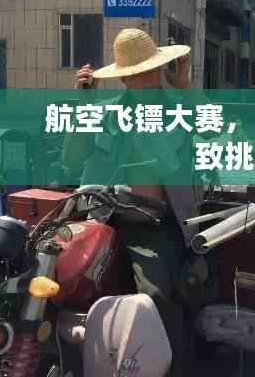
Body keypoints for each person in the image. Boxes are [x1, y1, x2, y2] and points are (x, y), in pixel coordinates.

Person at [62, 28, 202, 377]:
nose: (147, 80)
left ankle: (175, 368)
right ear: (123, 77)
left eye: (151, 70)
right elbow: (71, 159)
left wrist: (185, 86)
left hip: (155, 227)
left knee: (156, 297)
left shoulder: (179, 110)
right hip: (104, 219)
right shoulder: (106, 112)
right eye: (137, 73)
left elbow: (211, 131)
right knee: (62, 283)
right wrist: (82, 104)